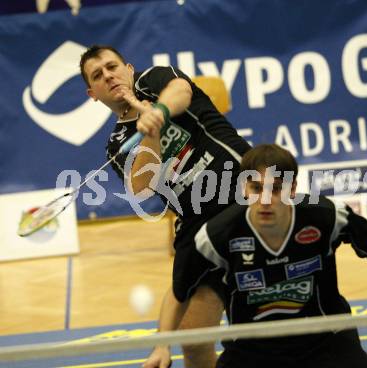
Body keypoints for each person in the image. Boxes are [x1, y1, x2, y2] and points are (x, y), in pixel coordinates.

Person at [145, 144, 367, 367]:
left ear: (292, 189)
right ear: (243, 187)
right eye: (256, 188)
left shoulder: (324, 215)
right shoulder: (218, 234)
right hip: (252, 349)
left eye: (275, 189)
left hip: (326, 339)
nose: (265, 199)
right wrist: (162, 345)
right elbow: (179, 291)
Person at [79, 45, 251, 368]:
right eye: (98, 76)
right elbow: (140, 185)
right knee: (193, 340)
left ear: (128, 68)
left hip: (244, 195)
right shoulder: (117, 143)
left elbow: (181, 92)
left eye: (112, 66)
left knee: (260, 333)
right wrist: (150, 132)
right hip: (198, 223)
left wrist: (156, 111)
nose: (108, 76)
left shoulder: (155, 80)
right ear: (93, 93)